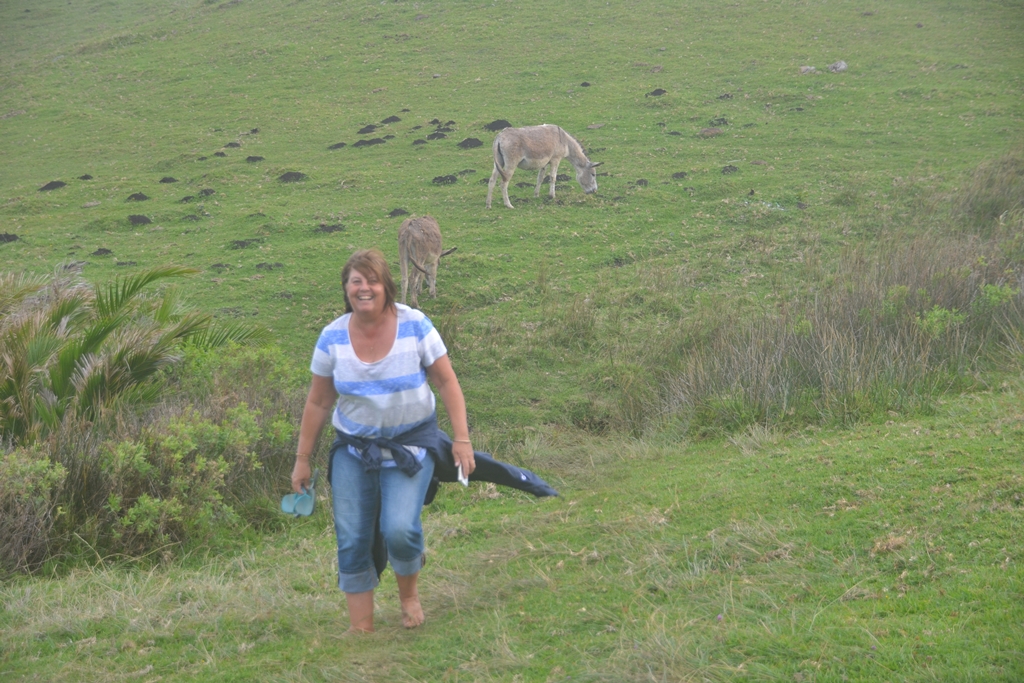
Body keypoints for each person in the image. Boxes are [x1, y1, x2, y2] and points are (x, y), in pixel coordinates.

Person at [290, 248, 475, 632]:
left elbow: (446, 381)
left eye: (371, 280)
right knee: (352, 536)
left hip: (411, 446)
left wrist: (461, 439)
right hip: (353, 450)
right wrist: (302, 458)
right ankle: (363, 630)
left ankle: (408, 595)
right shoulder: (332, 336)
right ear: (346, 289)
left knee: (400, 529)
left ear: (386, 286)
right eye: (355, 281)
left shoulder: (415, 324)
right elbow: (319, 400)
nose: (364, 288)